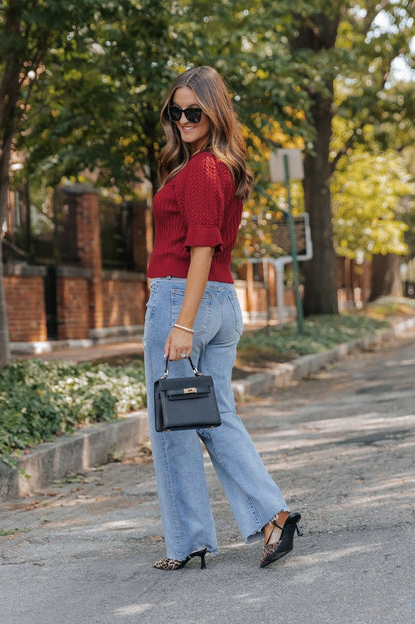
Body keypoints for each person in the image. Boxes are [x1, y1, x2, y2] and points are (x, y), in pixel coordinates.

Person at [144, 65, 302, 570]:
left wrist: (183, 323)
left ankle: (187, 541)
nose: (185, 119)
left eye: (195, 111)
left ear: (214, 113)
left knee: (172, 424)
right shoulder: (220, 166)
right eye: (177, 110)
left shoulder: (202, 170)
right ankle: (273, 514)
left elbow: (203, 247)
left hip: (183, 299)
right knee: (216, 416)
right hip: (222, 301)